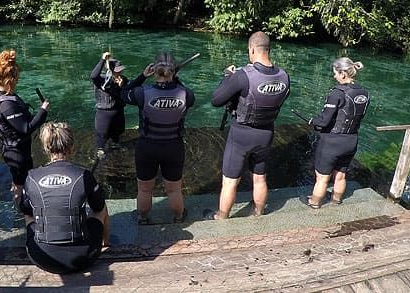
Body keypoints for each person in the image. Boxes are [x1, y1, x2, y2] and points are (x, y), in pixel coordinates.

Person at [206, 31, 289, 220]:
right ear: (268, 49)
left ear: (252, 49)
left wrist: (227, 76)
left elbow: (216, 100)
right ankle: (258, 212)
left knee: (230, 181)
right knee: (260, 178)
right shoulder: (284, 76)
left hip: (241, 135)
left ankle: (222, 216)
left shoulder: (243, 76)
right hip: (266, 133)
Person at [20, 121, 110, 274]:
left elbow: (25, 209)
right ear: (72, 147)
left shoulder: (31, 177)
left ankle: (43, 240)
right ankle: (106, 243)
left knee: (28, 215)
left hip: (42, 258)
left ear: (45, 148)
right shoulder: (84, 175)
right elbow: (98, 208)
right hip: (83, 257)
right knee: (101, 210)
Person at [121, 52, 195, 224]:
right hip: (173, 147)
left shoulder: (141, 93)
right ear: (174, 72)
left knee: (145, 190)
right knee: (174, 190)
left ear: (154, 70)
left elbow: (124, 93)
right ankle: (178, 217)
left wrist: (142, 76)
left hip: (147, 147)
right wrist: (174, 79)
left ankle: (143, 217)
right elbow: (183, 90)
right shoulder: (186, 95)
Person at [301, 57, 370, 209]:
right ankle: (336, 200)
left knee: (322, 177)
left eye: (335, 73)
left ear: (343, 73)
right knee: (340, 175)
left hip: (332, 142)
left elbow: (324, 120)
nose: (334, 76)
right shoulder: (364, 93)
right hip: (351, 140)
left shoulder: (337, 93)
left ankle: (315, 202)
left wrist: (313, 121)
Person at [0, 49, 49, 205]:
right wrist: (43, 111)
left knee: (16, 179)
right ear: (10, 80)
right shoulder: (6, 105)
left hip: (9, 149)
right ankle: (24, 210)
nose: (17, 81)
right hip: (17, 153)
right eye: (16, 78)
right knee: (23, 182)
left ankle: (18, 201)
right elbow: (26, 128)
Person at [90, 52, 128, 159]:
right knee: (102, 135)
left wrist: (121, 87)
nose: (120, 72)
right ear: (110, 70)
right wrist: (102, 59)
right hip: (104, 113)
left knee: (117, 132)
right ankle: (100, 150)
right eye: (117, 71)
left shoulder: (123, 79)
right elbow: (93, 75)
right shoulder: (101, 80)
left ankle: (116, 144)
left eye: (121, 70)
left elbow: (126, 92)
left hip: (118, 111)